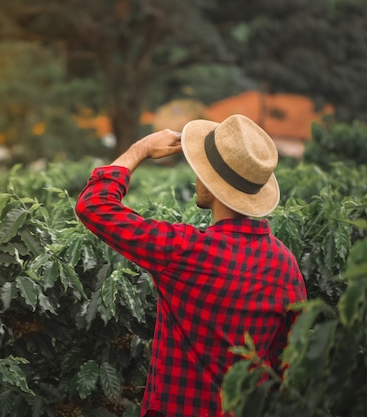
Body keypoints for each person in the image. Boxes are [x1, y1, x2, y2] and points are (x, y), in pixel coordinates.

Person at [74, 114, 307, 417]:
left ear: (211, 186)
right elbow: (287, 365)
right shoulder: (285, 265)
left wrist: (141, 149)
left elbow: (94, 205)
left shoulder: (185, 251)